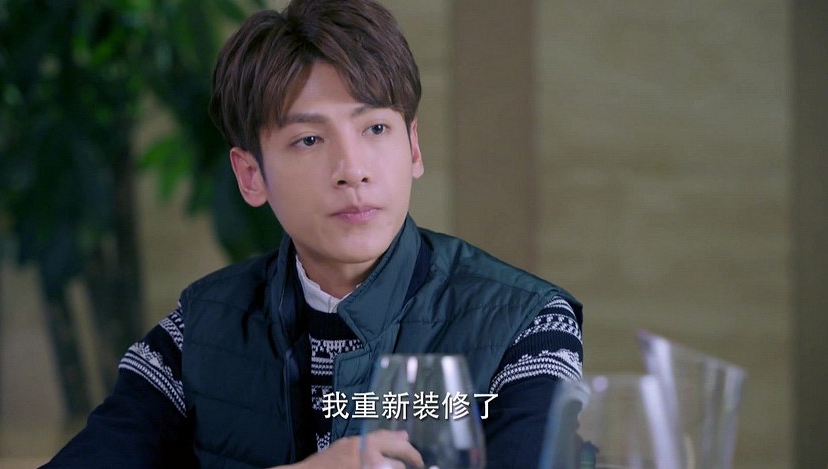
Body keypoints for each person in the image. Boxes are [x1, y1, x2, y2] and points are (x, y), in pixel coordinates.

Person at [43, 0, 583, 467]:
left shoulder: (528, 326)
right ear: (251, 175)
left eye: (376, 128)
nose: (353, 170)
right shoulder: (198, 332)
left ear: (413, 147)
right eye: (308, 140)